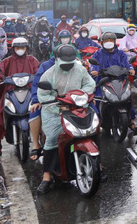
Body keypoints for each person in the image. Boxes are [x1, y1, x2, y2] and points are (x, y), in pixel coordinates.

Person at [36, 44, 96, 194]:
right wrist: (59, 105)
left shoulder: (80, 69)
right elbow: (43, 95)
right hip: (54, 111)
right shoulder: (48, 74)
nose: (68, 66)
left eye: (71, 63)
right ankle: (47, 177)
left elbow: (90, 84)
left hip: (77, 109)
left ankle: (97, 167)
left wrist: (81, 97)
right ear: (56, 60)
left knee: (93, 131)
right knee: (51, 139)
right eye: (65, 63)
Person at [0, 38, 39, 157]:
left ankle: (41, 142)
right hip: (10, 91)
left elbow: (38, 71)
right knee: (0, 112)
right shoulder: (7, 61)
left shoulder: (32, 60)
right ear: (13, 49)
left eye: (23, 47)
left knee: (40, 112)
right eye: (17, 48)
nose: (20, 50)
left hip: (30, 90)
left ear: (26, 48)